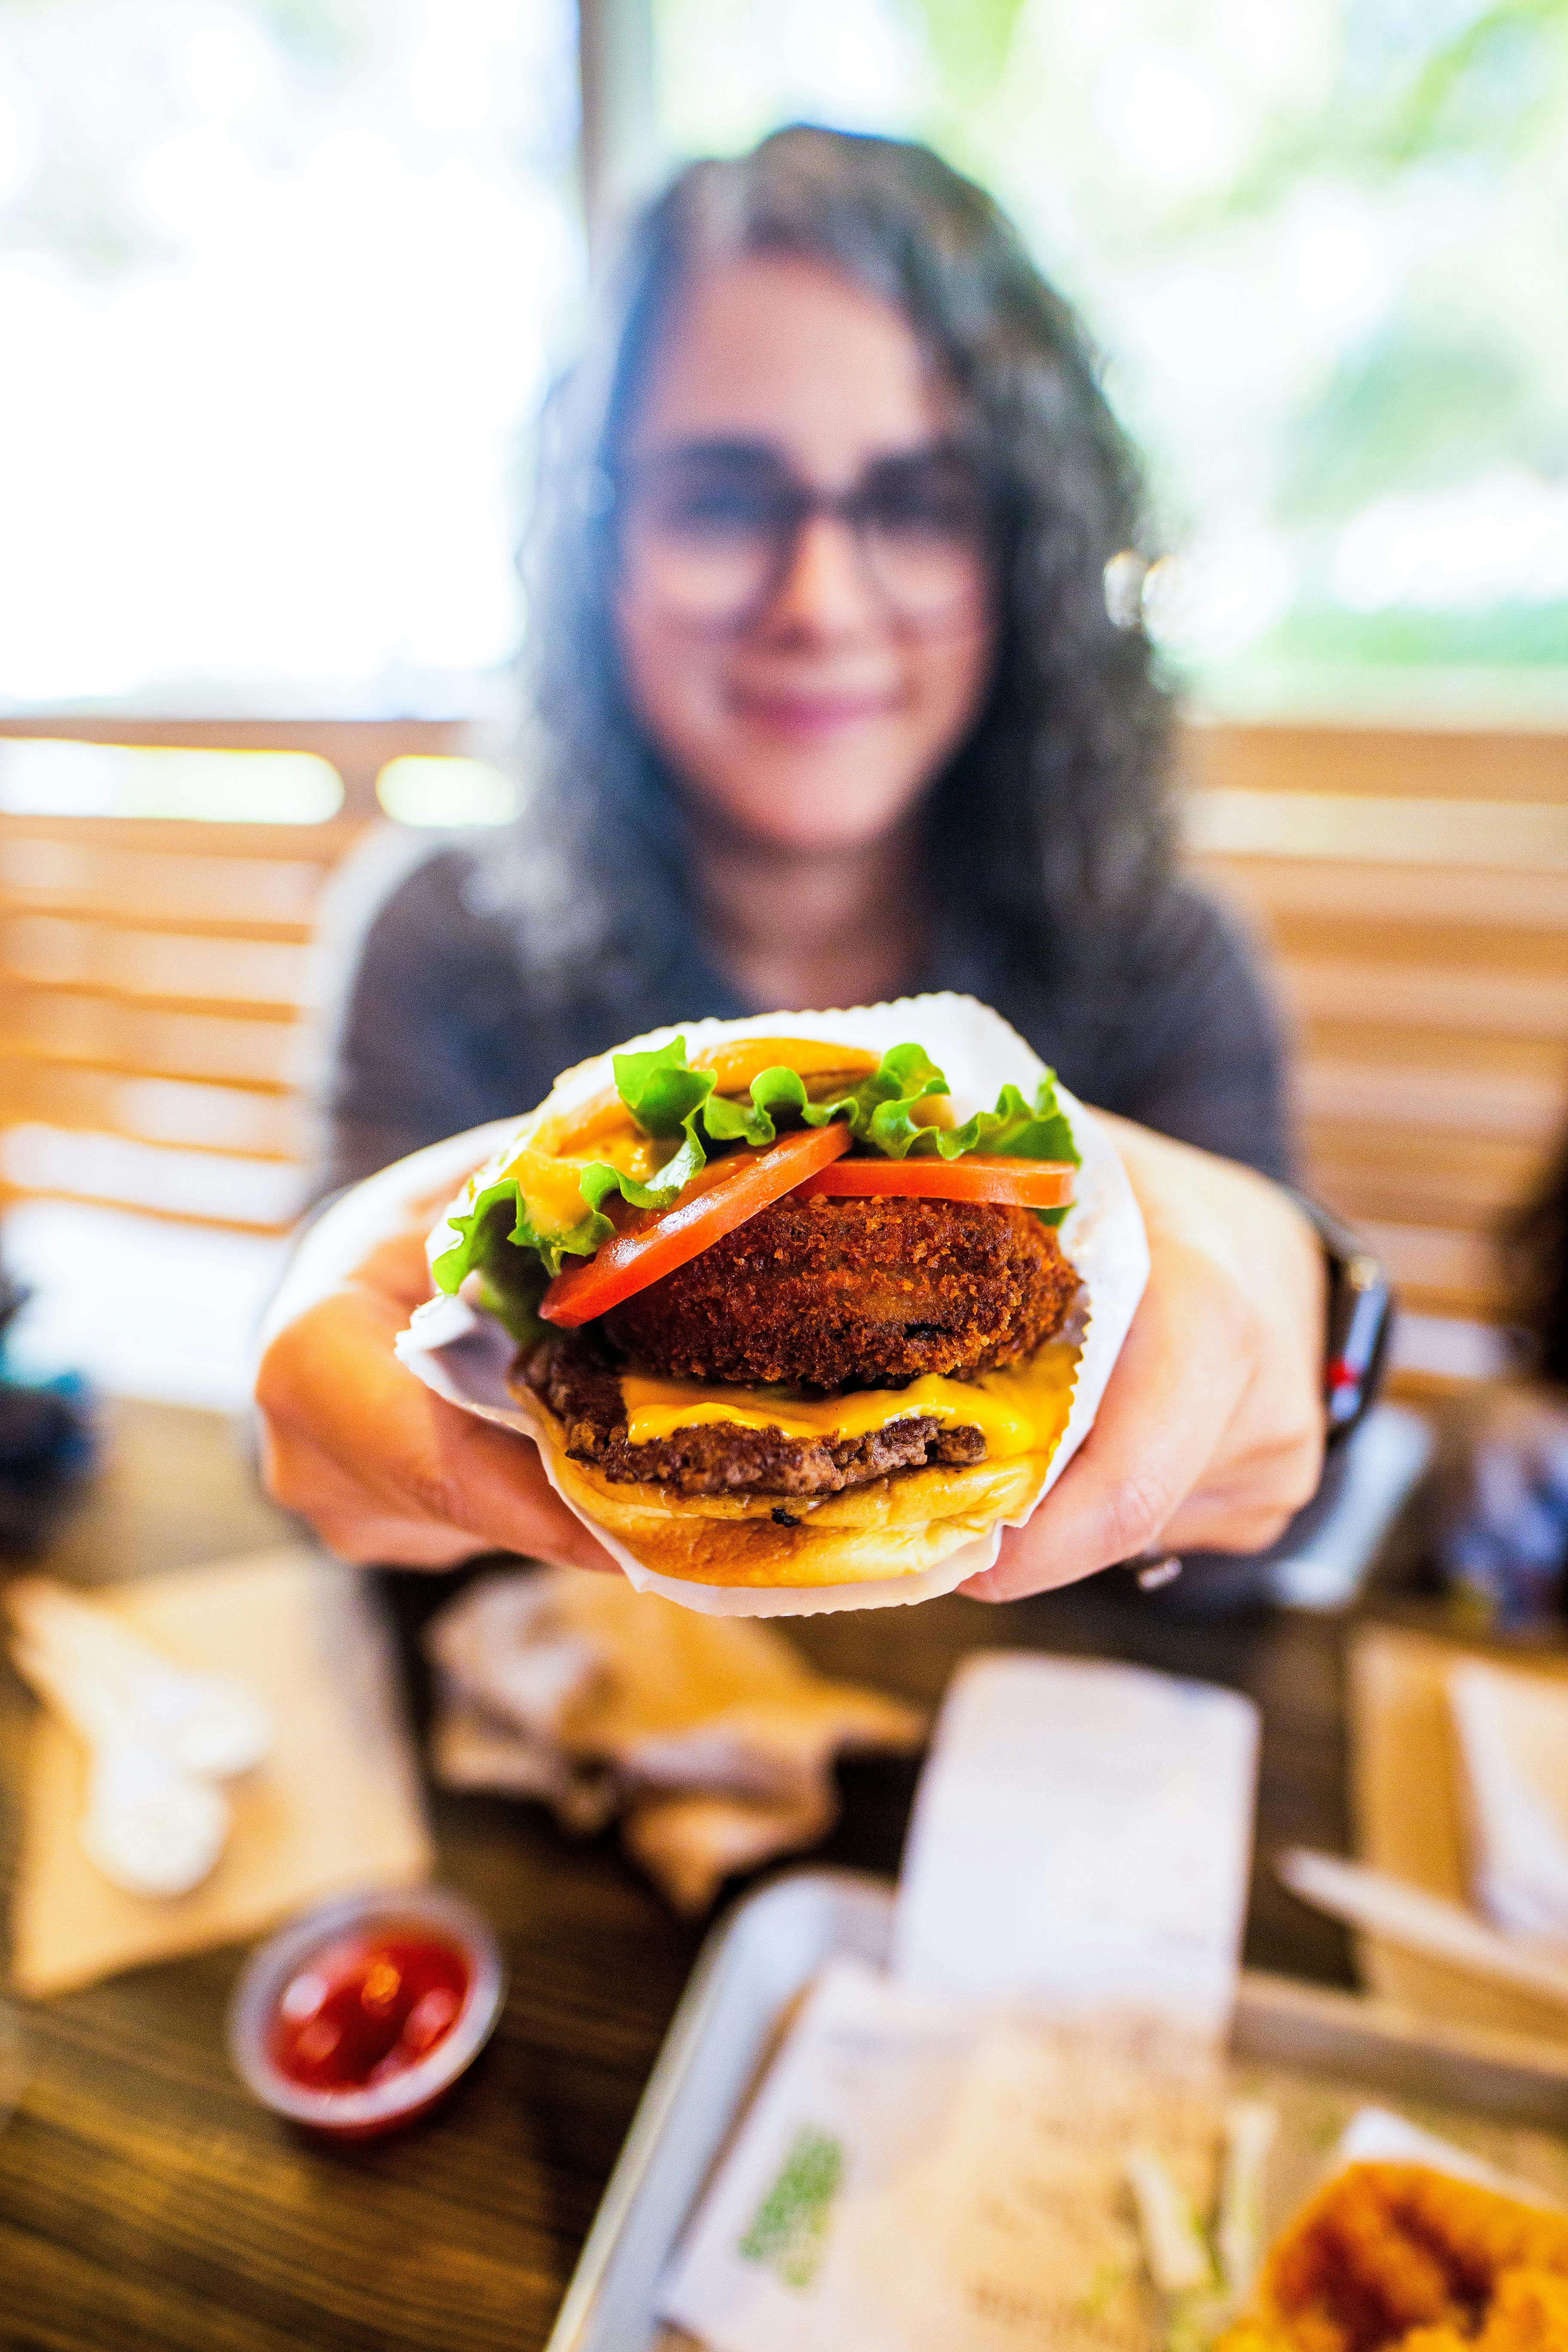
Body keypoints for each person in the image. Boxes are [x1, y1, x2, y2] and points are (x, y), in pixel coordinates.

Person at [256, 126, 1332, 1599]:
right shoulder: (440, 940)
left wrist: (1321, 1325)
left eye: (919, 504)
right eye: (720, 499)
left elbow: (1256, 1544)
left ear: (1022, 556)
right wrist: (330, 1402)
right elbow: (364, 1497)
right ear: (595, 549)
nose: (820, 601)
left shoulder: (1163, 962)